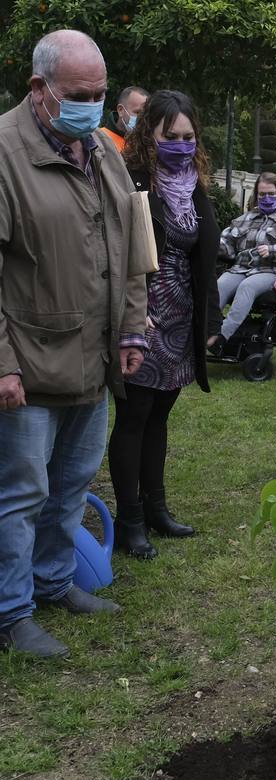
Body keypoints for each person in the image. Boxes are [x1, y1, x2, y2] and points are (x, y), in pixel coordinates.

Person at [0, 30, 144, 659]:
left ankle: (55, 581)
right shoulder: (4, 152)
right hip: (29, 364)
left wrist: (132, 326)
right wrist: (2, 365)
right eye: (79, 95)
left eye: (101, 94)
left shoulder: (100, 148)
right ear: (40, 90)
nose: (93, 105)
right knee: (21, 490)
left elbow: (131, 243)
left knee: (73, 482)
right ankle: (10, 611)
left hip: (94, 355)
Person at [110, 89, 220, 561]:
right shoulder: (130, 181)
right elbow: (115, 252)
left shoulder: (194, 184)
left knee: (161, 415)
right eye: (170, 136)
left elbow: (205, 258)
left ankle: (156, 509)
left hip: (180, 319)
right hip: (142, 315)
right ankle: (129, 519)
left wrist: (209, 317)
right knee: (134, 416)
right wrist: (129, 315)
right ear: (148, 136)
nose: (181, 144)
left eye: (188, 136)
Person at [208, 173, 276, 355]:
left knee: (247, 287)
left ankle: (221, 338)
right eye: (262, 194)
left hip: (271, 270)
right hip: (241, 267)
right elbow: (228, 244)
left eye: (271, 194)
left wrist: (273, 250)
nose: (267, 198)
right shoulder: (246, 218)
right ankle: (205, 332)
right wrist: (213, 244)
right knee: (218, 286)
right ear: (256, 195)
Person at [97, 84, 147, 152]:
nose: (142, 118)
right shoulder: (99, 138)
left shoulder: (146, 143)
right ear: (120, 110)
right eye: (138, 112)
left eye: (145, 114)